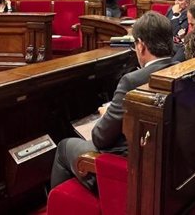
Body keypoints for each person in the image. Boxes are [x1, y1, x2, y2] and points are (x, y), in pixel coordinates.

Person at [50, 11, 173, 190]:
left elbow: (100, 138)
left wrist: (106, 115)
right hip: (164, 163)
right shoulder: (180, 69)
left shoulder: (132, 81)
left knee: (64, 146)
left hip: (128, 168)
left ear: (141, 46)